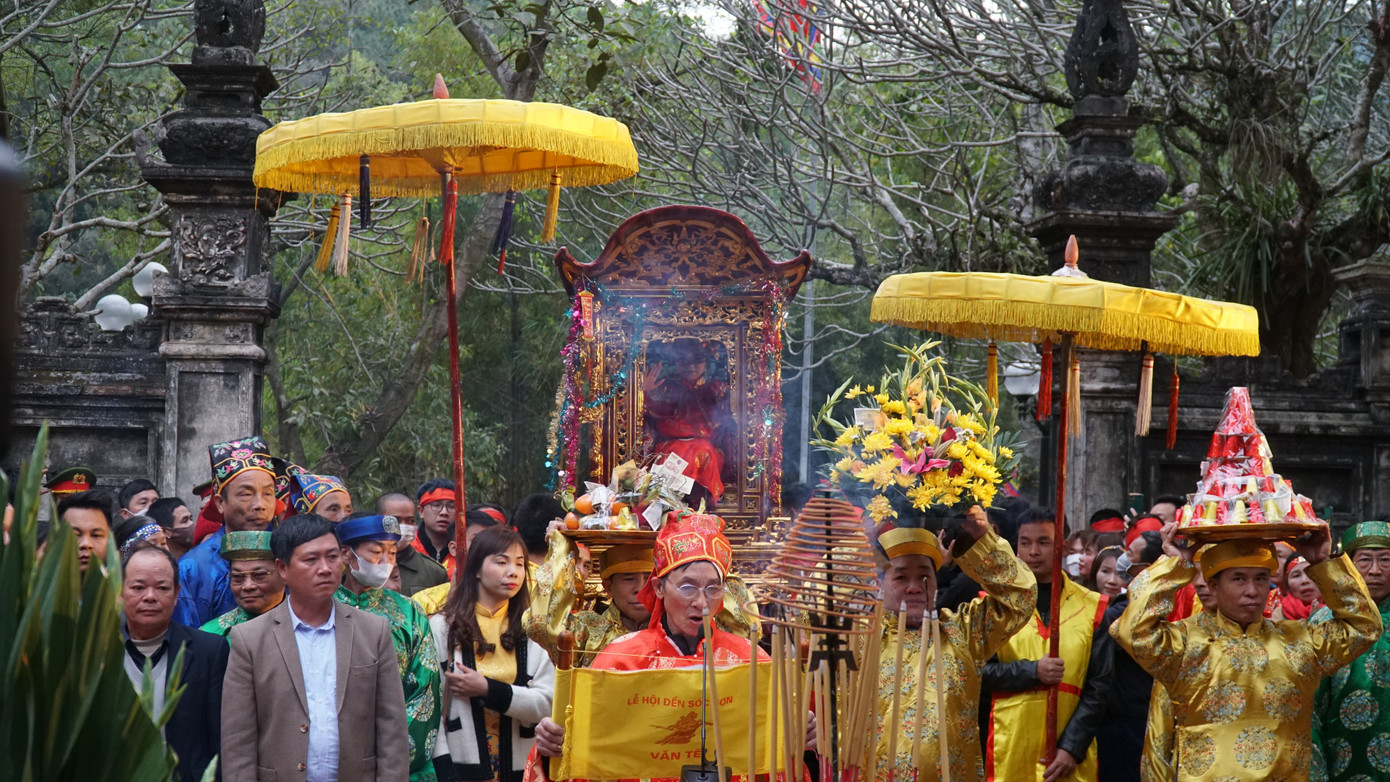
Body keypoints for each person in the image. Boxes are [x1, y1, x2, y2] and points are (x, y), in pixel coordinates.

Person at [533, 511, 808, 771]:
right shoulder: (619, 658)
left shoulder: (750, 659)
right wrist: (555, 743)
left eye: (713, 588)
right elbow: (585, 751)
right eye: (687, 587)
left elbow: (775, 755)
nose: (701, 602)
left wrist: (802, 735)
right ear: (659, 588)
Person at [1112, 521, 1381, 780]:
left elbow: (1365, 626)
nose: (1252, 591)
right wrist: (1175, 564)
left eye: (1261, 579)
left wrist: (1323, 564)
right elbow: (1131, 631)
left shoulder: (1300, 639)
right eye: (1238, 579)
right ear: (1214, 586)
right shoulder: (1184, 642)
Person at [222, 513, 409, 782]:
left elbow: (392, 728)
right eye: (311, 559)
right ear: (282, 568)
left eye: (332, 557)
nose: (325, 568)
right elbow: (238, 739)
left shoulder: (373, 631)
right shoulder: (249, 640)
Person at [869, 507, 1038, 782]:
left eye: (925, 576)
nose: (914, 587)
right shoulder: (861, 635)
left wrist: (981, 542)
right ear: (880, 584)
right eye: (900, 577)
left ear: (936, 582)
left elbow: (1021, 598)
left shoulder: (962, 631)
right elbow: (813, 611)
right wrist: (859, 540)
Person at [984, 508, 1113, 782]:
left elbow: (1099, 686)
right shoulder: (992, 605)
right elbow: (978, 674)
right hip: (1010, 745)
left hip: (1068, 753)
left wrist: (1071, 747)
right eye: (1025, 542)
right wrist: (1032, 672)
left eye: (1044, 542)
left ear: (1063, 546)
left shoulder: (1092, 606)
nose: (1033, 552)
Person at [430, 525, 555, 782]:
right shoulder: (443, 628)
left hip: (524, 770)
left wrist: (488, 689)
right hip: (459, 768)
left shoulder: (531, 631)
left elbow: (549, 703)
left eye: (520, 564)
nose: (513, 572)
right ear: (476, 569)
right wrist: (443, 769)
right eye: (501, 562)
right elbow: (430, 712)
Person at [334, 514, 441, 782]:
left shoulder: (409, 611)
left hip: (396, 754)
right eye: (376, 552)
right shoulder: (323, 605)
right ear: (346, 554)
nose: (386, 562)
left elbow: (424, 689)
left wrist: (389, 750)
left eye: (392, 553)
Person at [119, 544, 228, 782]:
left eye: (162, 588)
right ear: (120, 592)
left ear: (177, 594)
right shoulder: (100, 651)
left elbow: (219, 738)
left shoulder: (208, 651)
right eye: (138, 587)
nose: (150, 596)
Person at [1311, 522, 1390, 782]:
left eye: (1386, 560)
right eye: (1365, 560)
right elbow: (1311, 701)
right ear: (1349, 566)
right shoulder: (1324, 621)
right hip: (1340, 754)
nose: (1375, 571)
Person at [175, 436, 279, 627]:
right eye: (246, 494)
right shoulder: (191, 569)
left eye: (268, 493)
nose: (260, 505)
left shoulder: (290, 558)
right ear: (220, 503)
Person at [1140, 555, 1219, 782]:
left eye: (1210, 572)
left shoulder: (1277, 638)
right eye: (1196, 574)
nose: (1200, 583)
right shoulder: (1179, 640)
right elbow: (1159, 731)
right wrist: (1174, 562)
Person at [642, 338, 732, 508]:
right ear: (676, 362)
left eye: (697, 361)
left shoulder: (716, 388)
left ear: (706, 361)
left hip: (706, 447)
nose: (691, 367)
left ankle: (701, 505)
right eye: (685, 361)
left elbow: (734, 411)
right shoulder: (665, 386)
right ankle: (673, 506)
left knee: (703, 451)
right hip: (670, 446)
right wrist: (644, 392)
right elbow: (647, 410)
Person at [199, 530, 285, 637]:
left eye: (259, 575)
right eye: (238, 577)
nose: (247, 586)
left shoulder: (305, 627)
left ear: (283, 573)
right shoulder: (210, 635)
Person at [377, 491, 449, 597]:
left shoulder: (434, 572)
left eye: (411, 520)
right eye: (396, 520)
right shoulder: (362, 563)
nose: (404, 526)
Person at [56, 489, 113, 575]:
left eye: (96, 535)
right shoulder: (36, 587)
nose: (85, 544)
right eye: (74, 535)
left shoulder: (123, 587)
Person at [414, 478, 458, 572]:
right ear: (421, 511)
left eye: (451, 506)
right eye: (436, 505)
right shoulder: (408, 547)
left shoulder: (463, 551)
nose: (444, 512)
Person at [1272, 555, 1323, 620]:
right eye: (1296, 576)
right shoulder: (1278, 616)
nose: (1304, 581)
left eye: (1311, 573)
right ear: (1287, 583)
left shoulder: (1338, 609)